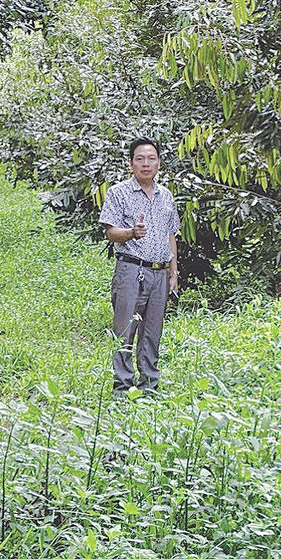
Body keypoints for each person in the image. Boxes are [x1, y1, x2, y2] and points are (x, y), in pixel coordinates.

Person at [99, 137, 180, 393]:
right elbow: (110, 233)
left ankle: (149, 387)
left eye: (151, 158)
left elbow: (171, 236)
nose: (146, 164)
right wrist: (131, 233)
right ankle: (122, 388)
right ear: (131, 163)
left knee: (152, 332)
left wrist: (173, 272)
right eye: (140, 159)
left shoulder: (166, 195)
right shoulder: (118, 193)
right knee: (125, 330)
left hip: (160, 272)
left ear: (159, 163)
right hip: (131, 270)